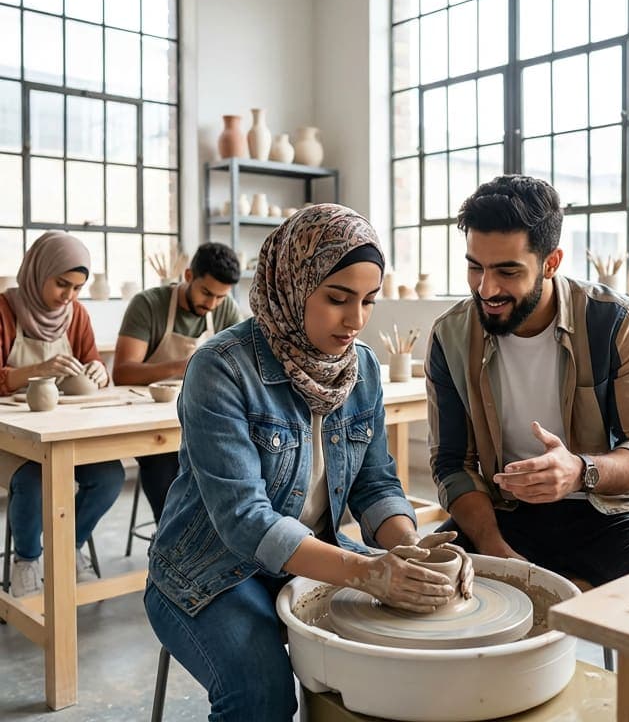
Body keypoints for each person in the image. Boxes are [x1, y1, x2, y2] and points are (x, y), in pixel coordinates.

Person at [144, 204, 472, 720]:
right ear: (291, 285)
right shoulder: (220, 367)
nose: (356, 320)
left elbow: (375, 482)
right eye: (337, 299)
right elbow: (243, 519)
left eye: (368, 300)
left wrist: (407, 550)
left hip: (315, 555)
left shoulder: (360, 366)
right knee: (262, 696)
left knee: (400, 660)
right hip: (208, 569)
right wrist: (366, 573)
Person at [427, 175, 629, 587]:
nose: (486, 288)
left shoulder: (614, 321)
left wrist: (580, 471)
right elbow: (452, 464)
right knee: (422, 584)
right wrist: (498, 554)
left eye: (507, 271)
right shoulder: (450, 336)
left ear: (551, 262)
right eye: (475, 267)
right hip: (502, 514)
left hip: (611, 511)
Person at [0, 232, 125, 597]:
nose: (68, 296)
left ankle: (69, 545)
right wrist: (36, 370)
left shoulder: (76, 314)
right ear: (38, 271)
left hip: (59, 432)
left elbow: (93, 361)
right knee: (34, 479)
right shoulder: (5, 311)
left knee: (109, 475)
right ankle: (26, 559)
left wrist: (100, 372)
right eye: (61, 284)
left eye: (77, 287)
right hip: (10, 439)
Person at [112, 242, 242, 522]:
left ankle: (217, 542)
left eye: (220, 297)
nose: (212, 304)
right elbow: (122, 372)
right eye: (206, 293)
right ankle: (171, 542)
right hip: (150, 421)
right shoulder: (148, 304)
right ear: (187, 276)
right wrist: (181, 366)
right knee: (165, 467)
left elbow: (241, 366)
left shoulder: (225, 308)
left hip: (201, 412)